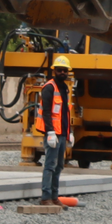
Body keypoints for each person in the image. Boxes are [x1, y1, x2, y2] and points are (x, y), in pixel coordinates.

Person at [34, 57, 74, 204]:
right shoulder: (49, 87)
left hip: (62, 133)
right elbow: (46, 112)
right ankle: (46, 197)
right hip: (53, 134)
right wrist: (50, 132)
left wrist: (70, 131)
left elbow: (66, 112)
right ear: (54, 71)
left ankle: (54, 197)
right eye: (59, 70)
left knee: (59, 166)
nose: (62, 72)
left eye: (65, 70)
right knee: (50, 165)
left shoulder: (64, 88)